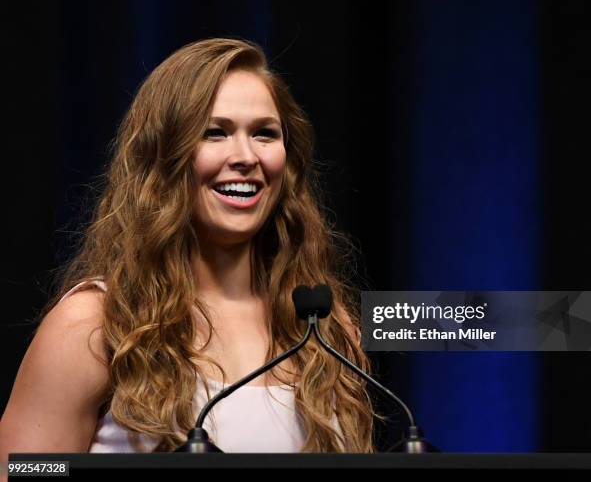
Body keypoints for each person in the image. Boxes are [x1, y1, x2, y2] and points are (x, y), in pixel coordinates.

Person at [0, 38, 375, 458]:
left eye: (264, 134)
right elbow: (24, 470)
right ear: (162, 157)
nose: (245, 156)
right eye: (214, 133)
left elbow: (456, 325)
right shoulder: (94, 322)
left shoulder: (324, 323)